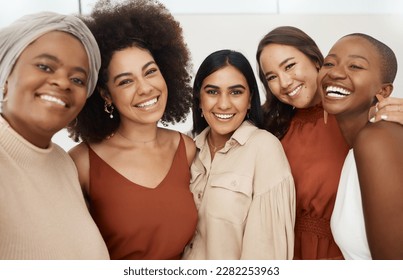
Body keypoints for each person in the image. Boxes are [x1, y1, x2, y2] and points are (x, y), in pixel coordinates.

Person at [256, 26, 403, 260]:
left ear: (316, 61)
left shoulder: (360, 117)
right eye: (271, 76)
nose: (283, 82)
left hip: (340, 253)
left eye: (290, 66)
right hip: (287, 254)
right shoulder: (271, 131)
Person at [67, 0, 197, 260]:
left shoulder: (187, 148)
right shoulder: (82, 163)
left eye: (150, 72)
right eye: (126, 81)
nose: (145, 88)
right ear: (106, 94)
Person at [0, 11, 109, 259]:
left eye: (78, 79)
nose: (63, 83)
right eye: (44, 66)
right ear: (6, 76)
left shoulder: (64, 163)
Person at [182, 49, 295, 260]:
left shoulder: (264, 149)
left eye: (236, 92)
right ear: (198, 99)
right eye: (212, 92)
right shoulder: (185, 147)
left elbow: (266, 253)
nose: (223, 104)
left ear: (250, 99)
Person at [318, 33, 403, 259]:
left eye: (355, 66)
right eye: (328, 63)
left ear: (383, 92)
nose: (335, 72)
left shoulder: (377, 139)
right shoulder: (359, 144)